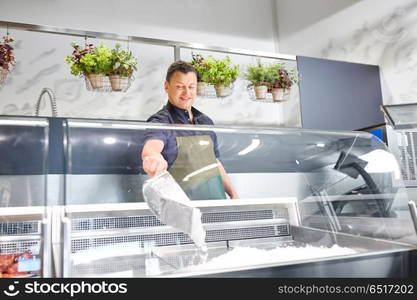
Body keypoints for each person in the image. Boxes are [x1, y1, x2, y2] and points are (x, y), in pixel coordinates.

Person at [141, 61, 239, 200]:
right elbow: (151, 149)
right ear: (166, 86)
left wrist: (233, 194)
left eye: (191, 87)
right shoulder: (161, 121)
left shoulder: (205, 122)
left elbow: (214, 162)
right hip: (184, 211)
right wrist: (152, 158)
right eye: (180, 87)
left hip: (217, 206)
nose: (187, 93)